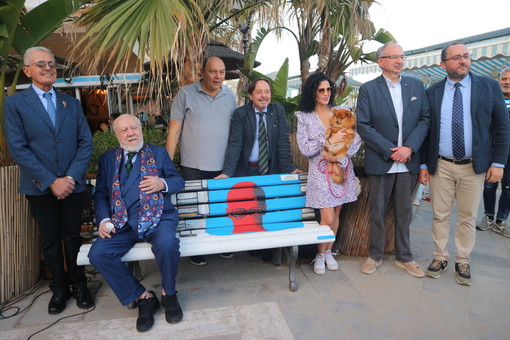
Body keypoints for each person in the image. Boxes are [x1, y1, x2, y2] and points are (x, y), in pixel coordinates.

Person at [4, 46, 94, 314]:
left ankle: (80, 285)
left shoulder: (72, 103)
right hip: (38, 187)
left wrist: (69, 177)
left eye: (52, 63)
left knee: (73, 237)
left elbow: (85, 142)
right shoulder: (15, 104)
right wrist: (51, 180)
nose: (48, 68)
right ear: (27, 71)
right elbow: (17, 148)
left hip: (72, 186)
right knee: (51, 240)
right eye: (41, 64)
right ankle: (59, 289)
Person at [419, 43, 510, 286]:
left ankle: (463, 259)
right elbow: (426, 131)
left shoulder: (489, 86)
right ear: (443, 64)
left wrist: (498, 162)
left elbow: (502, 127)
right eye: (457, 57)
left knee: (468, 216)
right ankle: (440, 256)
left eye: (466, 56)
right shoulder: (433, 92)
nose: (463, 61)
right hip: (441, 164)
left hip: (475, 166)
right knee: (439, 215)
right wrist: (423, 165)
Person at [89, 114, 185, 332]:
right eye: (124, 130)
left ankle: (168, 294)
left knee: (168, 244)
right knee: (98, 253)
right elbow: (101, 194)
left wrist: (163, 182)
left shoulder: (158, 153)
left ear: (141, 129)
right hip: (122, 224)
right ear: (116, 135)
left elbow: (178, 182)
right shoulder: (107, 159)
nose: (131, 133)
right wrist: (104, 219)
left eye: (134, 128)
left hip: (158, 218)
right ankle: (143, 296)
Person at [356, 42, 430, 278]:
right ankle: (375, 255)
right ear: (381, 61)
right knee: (377, 211)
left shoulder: (416, 85)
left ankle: (405, 257)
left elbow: (425, 120)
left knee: (404, 212)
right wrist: (390, 151)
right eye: (394, 57)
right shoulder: (368, 89)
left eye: (402, 57)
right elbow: (363, 125)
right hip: (382, 160)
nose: (399, 61)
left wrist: (408, 148)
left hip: (407, 161)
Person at [165, 56, 236, 266]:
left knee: (220, 208)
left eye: (221, 72)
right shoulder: (185, 94)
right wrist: (167, 166)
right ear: (202, 72)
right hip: (192, 165)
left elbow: (235, 134)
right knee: (194, 210)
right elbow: (174, 132)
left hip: (222, 166)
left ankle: (221, 244)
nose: (218, 76)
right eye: (213, 71)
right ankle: (197, 249)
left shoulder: (230, 96)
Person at [295, 72, 362, 275]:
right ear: (312, 92)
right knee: (327, 216)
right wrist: (326, 142)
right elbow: (305, 148)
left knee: (337, 213)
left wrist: (341, 155)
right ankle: (320, 254)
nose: (325, 94)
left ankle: (329, 251)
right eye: (320, 90)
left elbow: (356, 139)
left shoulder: (340, 112)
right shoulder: (304, 117)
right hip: (320, 171)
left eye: (328, 89)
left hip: (341, 169)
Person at [215, 78, 299, 178]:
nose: (264, 96)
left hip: (272, 170)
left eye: (267, 92)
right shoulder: (241, 113)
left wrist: (290, 169)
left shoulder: (278, 111)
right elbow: (235, 145)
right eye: (259, 92)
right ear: (250, 96)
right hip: (246, 171)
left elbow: (283, 143)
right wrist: (227, 172)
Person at [476, 66, 510, 238]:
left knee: (508, 188)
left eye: (509, 79)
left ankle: (501, 221)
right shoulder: (490, 98)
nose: (507, 82)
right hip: (492, 151)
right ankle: (488, 217)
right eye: (504, 79)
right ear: (499, 80)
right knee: (489, 185)